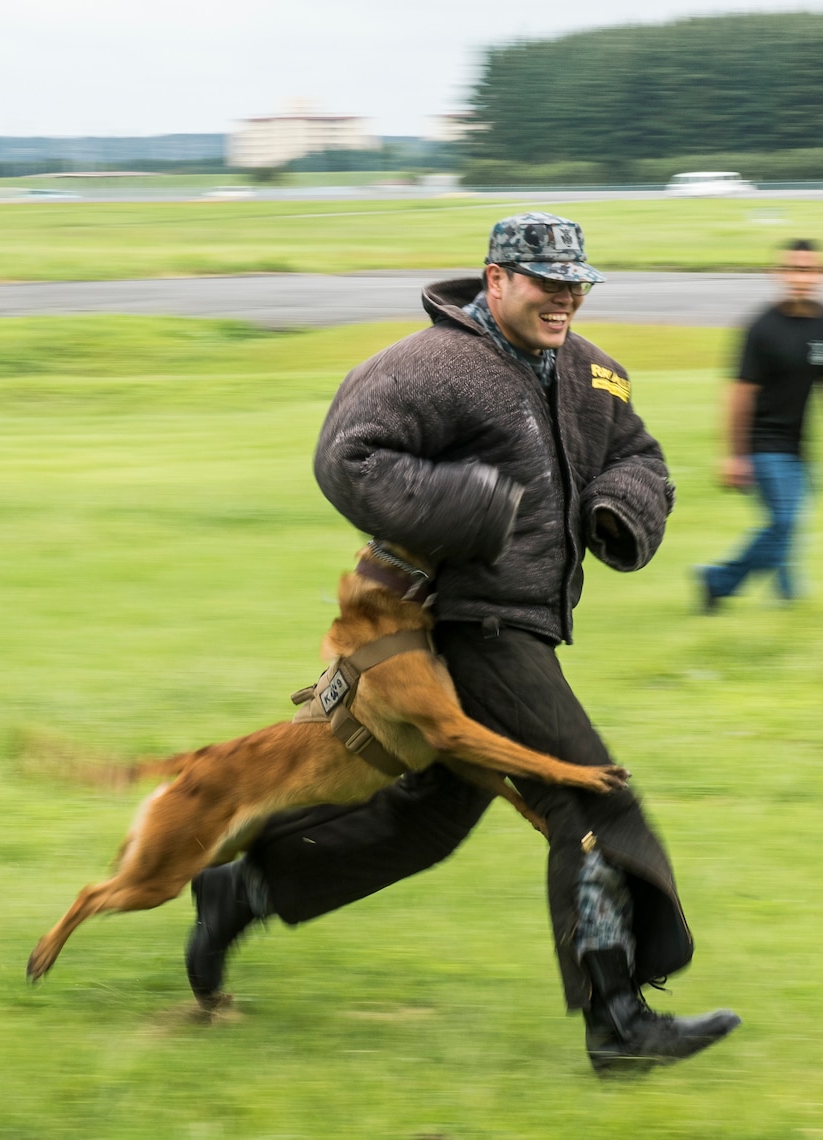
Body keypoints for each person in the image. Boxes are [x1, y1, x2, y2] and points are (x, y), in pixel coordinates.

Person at [182, 213, 740, 1075]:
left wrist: (616, 506)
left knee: (426, 825)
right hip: (464, 623)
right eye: (545, 282)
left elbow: (644, 459)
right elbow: (350, 458)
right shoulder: (428, 365)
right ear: (495, 280)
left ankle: (241, 891)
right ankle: (618, 1023)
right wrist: (482, 508)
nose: (564, 298)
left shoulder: (597, 374)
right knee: (589, 803)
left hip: (522, 621)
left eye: (575, 283)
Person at [696, 239, 823, 610]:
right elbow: (739, 395)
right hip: (763, 443)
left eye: (810, 269)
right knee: (784, 522)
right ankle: (717, 580)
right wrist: (734, 456)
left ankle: (787, 598)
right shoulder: (762, 328)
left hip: (801, 444)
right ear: (778, 273)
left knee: (787, 525)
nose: (801, 277)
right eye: (794, 268)